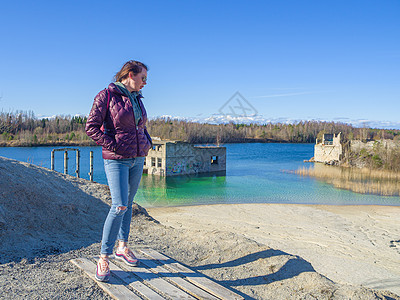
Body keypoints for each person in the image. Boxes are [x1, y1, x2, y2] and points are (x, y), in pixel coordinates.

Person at [85, 60, 152, 282]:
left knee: (129, 205)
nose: (145, 83)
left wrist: (146, 142)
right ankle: (103, 256)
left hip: (137, 158)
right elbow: (91, 127)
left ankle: (122, 247)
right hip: (117, 160)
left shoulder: (137, 98)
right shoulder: (106, 95)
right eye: (143, 78)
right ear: (130, 74)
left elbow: (140, 126)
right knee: (119, 205)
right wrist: (111, 145)